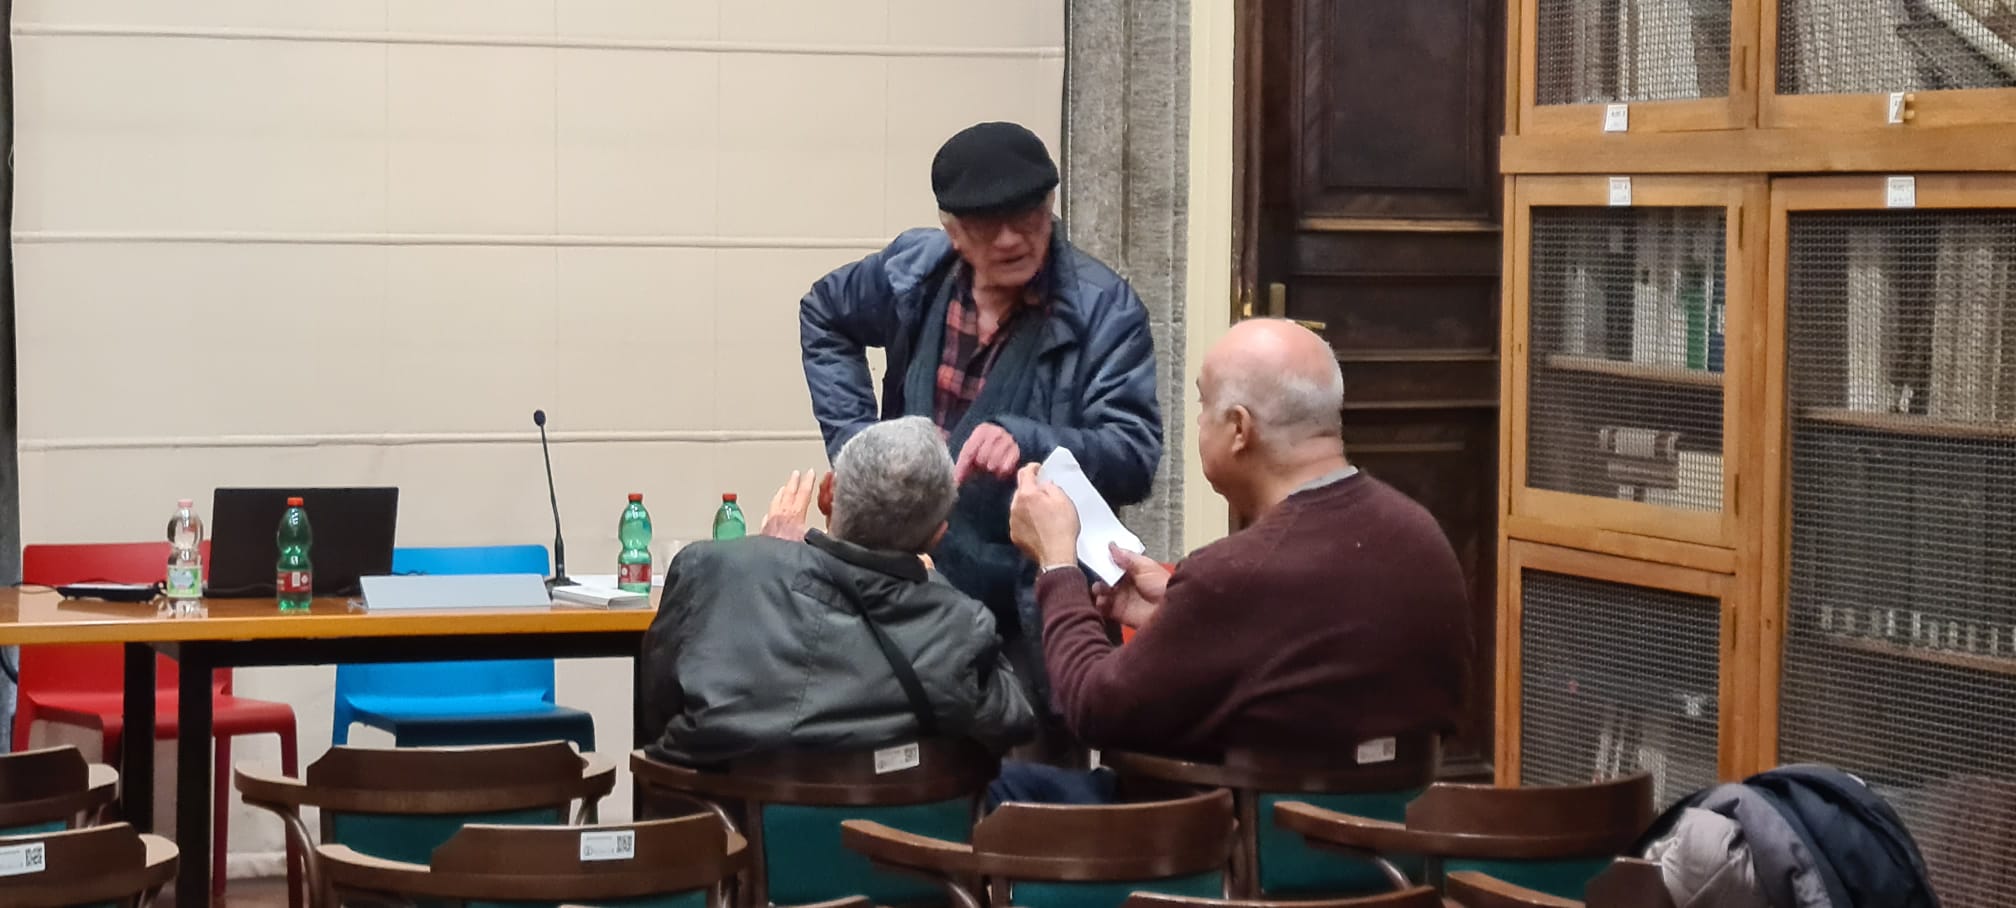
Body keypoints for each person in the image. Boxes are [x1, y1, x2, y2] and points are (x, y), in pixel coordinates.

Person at [997, 319, 1474, 802]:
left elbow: (1093, 709)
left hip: (1233, 833)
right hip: (1390, 833)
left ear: (1240, 429)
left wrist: (1057, 566)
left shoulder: (1238, 576)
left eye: (1203, 404)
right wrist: (1178, 612)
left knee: (995, 789)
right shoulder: (1424, 539)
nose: (1198, 421)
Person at [799, 121, 1162, 749]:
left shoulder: (1103, 308)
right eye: (991, 225)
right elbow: (824, 316)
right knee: (904, 778)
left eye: (1030, 216)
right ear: (954, 231)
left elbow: (1134, 455)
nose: (1015, 238)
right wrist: (860, 450)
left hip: (1029, 610)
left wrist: (1032, 441)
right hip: (907, 596)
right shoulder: (913, 273)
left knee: (1030, 791)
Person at [639, 416, 1035, 767]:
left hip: (726, 822)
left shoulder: (710, 571)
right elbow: (1012, 720)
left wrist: (772, 559)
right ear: (938, 535)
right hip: (894, 827)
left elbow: (657, 708)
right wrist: (932, 581)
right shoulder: (958, 625)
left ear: (828, 492)